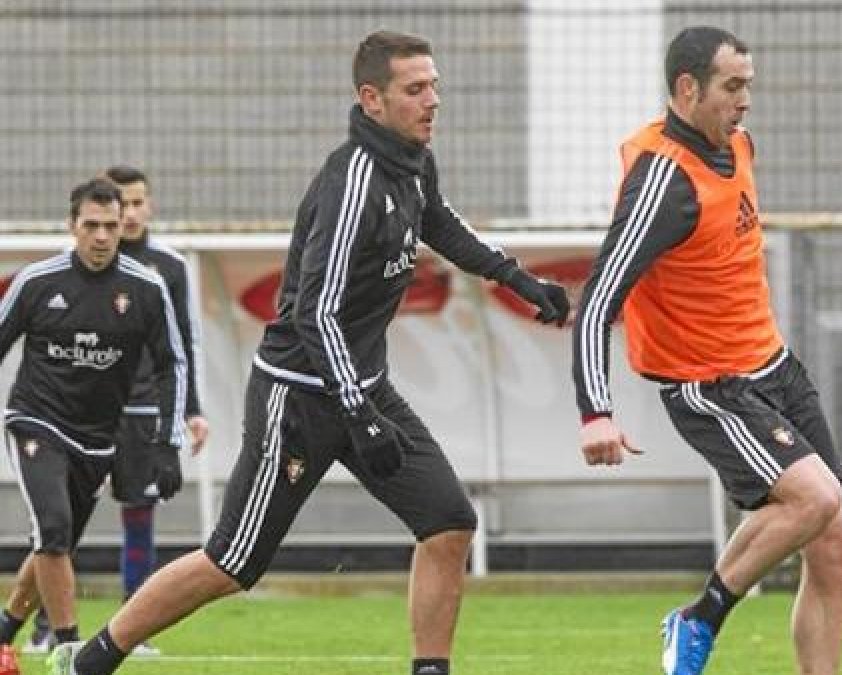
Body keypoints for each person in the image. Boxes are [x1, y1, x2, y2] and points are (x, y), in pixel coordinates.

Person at [48, 30, 569, 675]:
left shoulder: (412, 164)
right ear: (372, 99)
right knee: (233, 561)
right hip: (297, 395)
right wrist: (360, 413)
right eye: (415, 89)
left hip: (361, 389)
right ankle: (90, 661)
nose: (433, 99)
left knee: (450, 522)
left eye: (434, 85)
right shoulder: (352, 183)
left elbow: (440, 221)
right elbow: (313, 313)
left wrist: (516, 278)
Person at [571, 27, 842, 675]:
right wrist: (595, 411)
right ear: (687, 89)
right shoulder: (663, 182)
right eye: (732, 86)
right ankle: (699, 617)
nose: (745, 100)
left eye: (748, 85)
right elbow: (599, 299)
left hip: (774, 367)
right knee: (814, 499)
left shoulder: (739, 145)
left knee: (834, 543)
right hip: (711, 385)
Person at [0, 178, 187, 675]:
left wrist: (168, 444)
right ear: (72, 226)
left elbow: (172, 363)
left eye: (110, 226)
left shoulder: (147, 288)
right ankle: (69, 651)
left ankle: (2, 634)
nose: (102, 236)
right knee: (54, 529)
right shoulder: (37, 281)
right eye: (91, 226)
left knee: (53, 544)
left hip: (98, 438)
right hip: (36, 421)